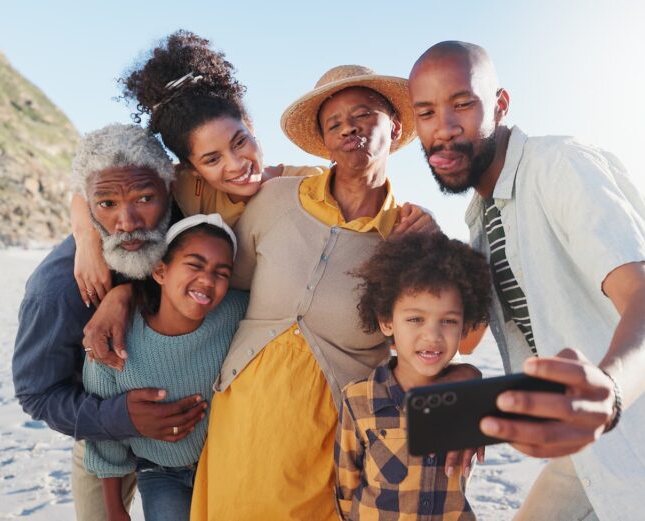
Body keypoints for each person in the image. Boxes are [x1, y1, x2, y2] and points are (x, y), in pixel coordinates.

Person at [408, 41, 645, 521]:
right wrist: (436, 258)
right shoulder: (481, 218)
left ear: (500, 105)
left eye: (462, 104)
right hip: (596, 436)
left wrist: (610, 391)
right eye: (426, 112)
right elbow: (468, 337)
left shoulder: (560, 165)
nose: (443, 127)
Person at [188, 64, 460, 521]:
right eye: (333, 123)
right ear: (324, 141)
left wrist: (438, 251)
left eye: (362, 115)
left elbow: (447, 339)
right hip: (242, 416)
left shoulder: (410, 237)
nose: (348, 128)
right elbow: (216, 279)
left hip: (330, 432)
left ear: (393, 126)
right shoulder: (274, 200)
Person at [78, 32, 435, 365]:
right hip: (204, 313)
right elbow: (93, 191)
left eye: (240, 142)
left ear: (250, 124)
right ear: (191, 167)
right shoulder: (185, 185)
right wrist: (87, 243)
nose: (236, 165)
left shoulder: (304, 185)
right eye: (212, 159)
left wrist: (421, 223)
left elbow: (365, 199)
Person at [12, 123, 209, 521]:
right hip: (102, 433)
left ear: (171, 188)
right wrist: (121, 418)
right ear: (89, 205)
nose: (128, 220)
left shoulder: (191, 231)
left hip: (193, 434)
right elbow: (37, 392)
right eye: (107, 205)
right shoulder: (55, 291)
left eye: (145, 197)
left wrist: (127, 294)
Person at [84, 214, 247, 521]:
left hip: (222, 466)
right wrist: (115, 508)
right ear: (160, 271)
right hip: (160, 473)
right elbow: (104, 435)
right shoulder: (115, 339)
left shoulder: (237, 313)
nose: (208, 280)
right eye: (195, 265)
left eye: (221, 273)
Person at [336, 232, 492, 521]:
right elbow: (346, 487)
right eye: (415, 319)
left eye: (448, 321)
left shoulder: (470, 399)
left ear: (465, 325)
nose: (432, 335)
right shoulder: (358, 400)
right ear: (386, 321)